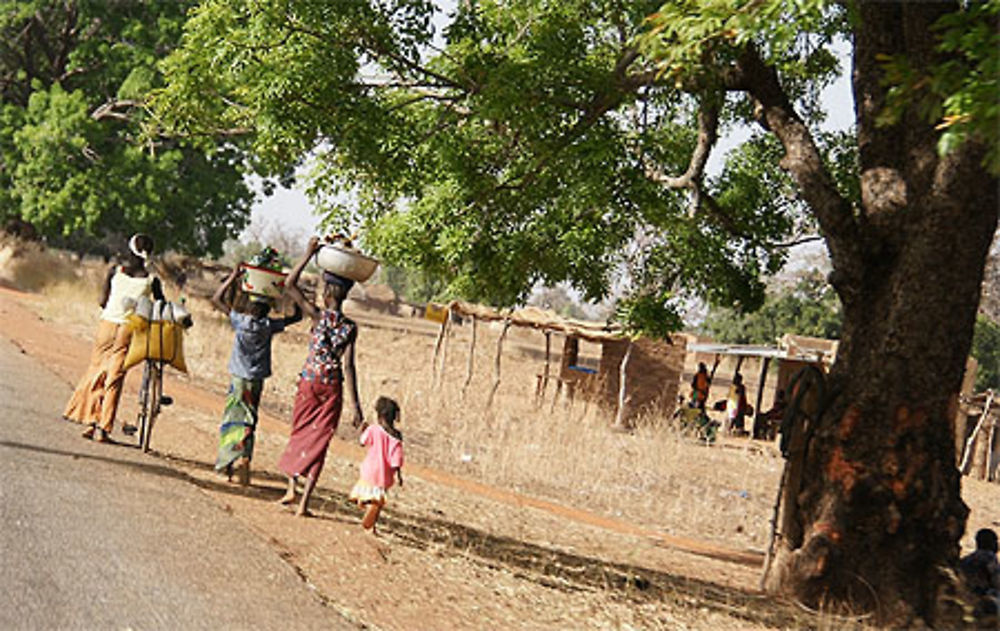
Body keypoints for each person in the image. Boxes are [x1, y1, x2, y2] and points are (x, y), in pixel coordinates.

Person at [277, 236, 364, 517]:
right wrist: (357, 408)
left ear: (326, 291)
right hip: (332, 386)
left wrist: (307, 254)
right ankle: (304, 504)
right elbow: (349, 367)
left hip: (309, 380)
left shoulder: (317, 316)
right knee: (320, 440)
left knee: (300, 430)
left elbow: (288, 284)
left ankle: (292, 486)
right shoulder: (350, 327)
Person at [63, 234, 164, 443]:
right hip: (129, 329)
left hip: (107, 325)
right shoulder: (151, 280)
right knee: (115, 376)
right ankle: (104, 429)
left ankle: (91, 422)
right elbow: (161, 305)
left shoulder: (115, 272)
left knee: (97, 369)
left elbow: (102, 301)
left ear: (129, 251)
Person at [210, 262, 302, 485]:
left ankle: (227, 464)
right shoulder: (268, 325)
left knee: (232, 417)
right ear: (267, 310)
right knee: (250, 419)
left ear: (250, 307)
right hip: (256, 379)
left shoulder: (240, 321)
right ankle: (245, 459)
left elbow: (216, 300)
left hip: (238, 378)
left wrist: (233, 277)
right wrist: (292, 290)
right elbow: (296, 317)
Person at [349, 396, 404, 534]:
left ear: (379, 415)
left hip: (369, 470)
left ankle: (368, 507)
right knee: (378, 501)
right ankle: (372, 526)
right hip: (385, 475)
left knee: (366, 493)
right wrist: (399, 475)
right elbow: (396, 460)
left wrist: (363, 430)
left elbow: (362, 442)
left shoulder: (373, 429)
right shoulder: (396, 436)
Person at [960, 528, 1000, 617]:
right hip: (986, 597)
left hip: (968, 597)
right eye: (996, 541)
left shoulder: (966, 560)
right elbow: (997, 580)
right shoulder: (989, 557)